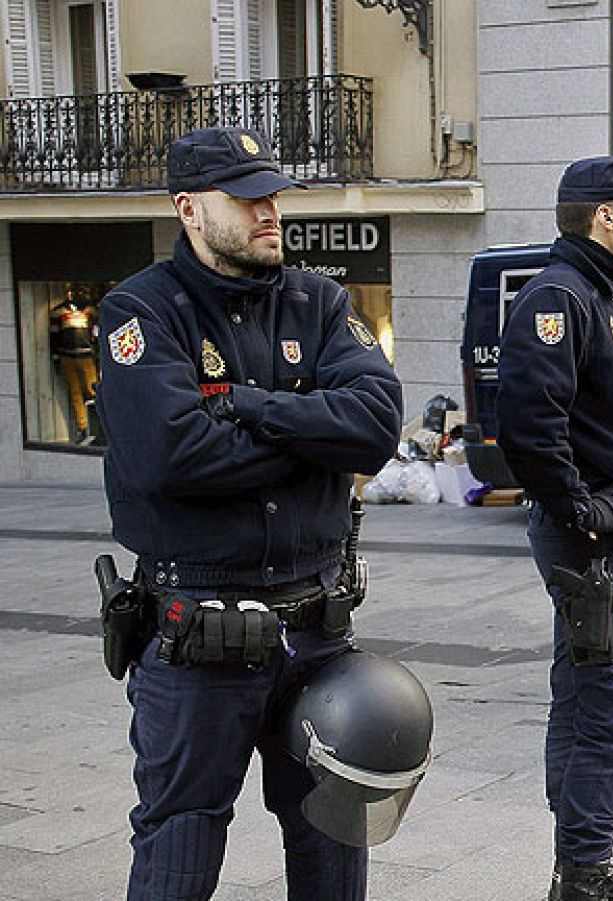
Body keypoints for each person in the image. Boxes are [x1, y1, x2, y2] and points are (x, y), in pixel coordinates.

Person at [97, 127, 403, 900]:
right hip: (199, 629)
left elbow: (374, 427)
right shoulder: (143, 311)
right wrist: (310, 435)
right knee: (181, 838)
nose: (270, 212)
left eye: (272, 195)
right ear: (190, 209)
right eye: (248, 198)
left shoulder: (320, 301)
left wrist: (241, 404)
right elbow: (171, 458)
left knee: (333, 834)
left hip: (318, 629)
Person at [496, 154, 613, 901]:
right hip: (598, 546)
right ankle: (580, 873)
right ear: (605, 215)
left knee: (584, 700)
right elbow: (529, 424)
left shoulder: (602, 295)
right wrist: (584, 509)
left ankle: (581, 864)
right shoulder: (561, 296)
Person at [50, 286, 100, 444]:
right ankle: (83, 428)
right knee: (76, 394)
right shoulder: (58, 312)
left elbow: (97, 331)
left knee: (93, 391)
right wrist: (56, 356)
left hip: (86, 357)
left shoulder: (90, 311)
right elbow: (54, 335)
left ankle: (100, 427)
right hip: (67, 357)